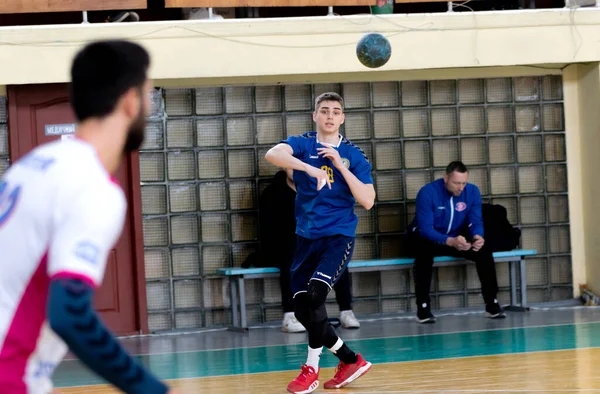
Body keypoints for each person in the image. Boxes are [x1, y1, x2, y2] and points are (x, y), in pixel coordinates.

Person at [0, 40, 179, 394]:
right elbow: (70, 313)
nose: (148, 106)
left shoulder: (29, 168)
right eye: (148, 94)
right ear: (130, 101)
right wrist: (150, 388)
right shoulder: (93, 186)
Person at [265, 92, 375, 393]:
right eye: (324, 110)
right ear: (315, 116)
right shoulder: (303, 144)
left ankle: (311, 369)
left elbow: (367, 200)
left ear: (342, 118)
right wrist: (309, 168)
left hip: (337, 237)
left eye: (335, 111)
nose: (329, 116)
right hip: (305, 239)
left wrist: (341, 167)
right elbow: (272, 154)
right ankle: (350, 359)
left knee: (314, 298)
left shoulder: (354, 155)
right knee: (303, 310)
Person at [246, 168, 360, 333]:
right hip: (281, 247)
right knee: (290, 261)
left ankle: (346, 311)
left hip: (311, 243)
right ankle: (289, 315)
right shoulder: (273, 192)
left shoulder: (315, 189)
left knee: (335, 257)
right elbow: (268, 229)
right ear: (285, 167)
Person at [407, 161, 505, 324]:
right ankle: (423, 308)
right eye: (456, 183)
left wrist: (477, 237)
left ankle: (491, 304)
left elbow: (475, 220)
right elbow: (425, 229)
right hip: (427, 238)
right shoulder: (428, 193)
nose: (460, 187)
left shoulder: (472, 192)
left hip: (454, 238)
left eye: (463, 183)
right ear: (445, 178)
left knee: (484, 250)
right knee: (423, 253)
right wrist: (449, 241)